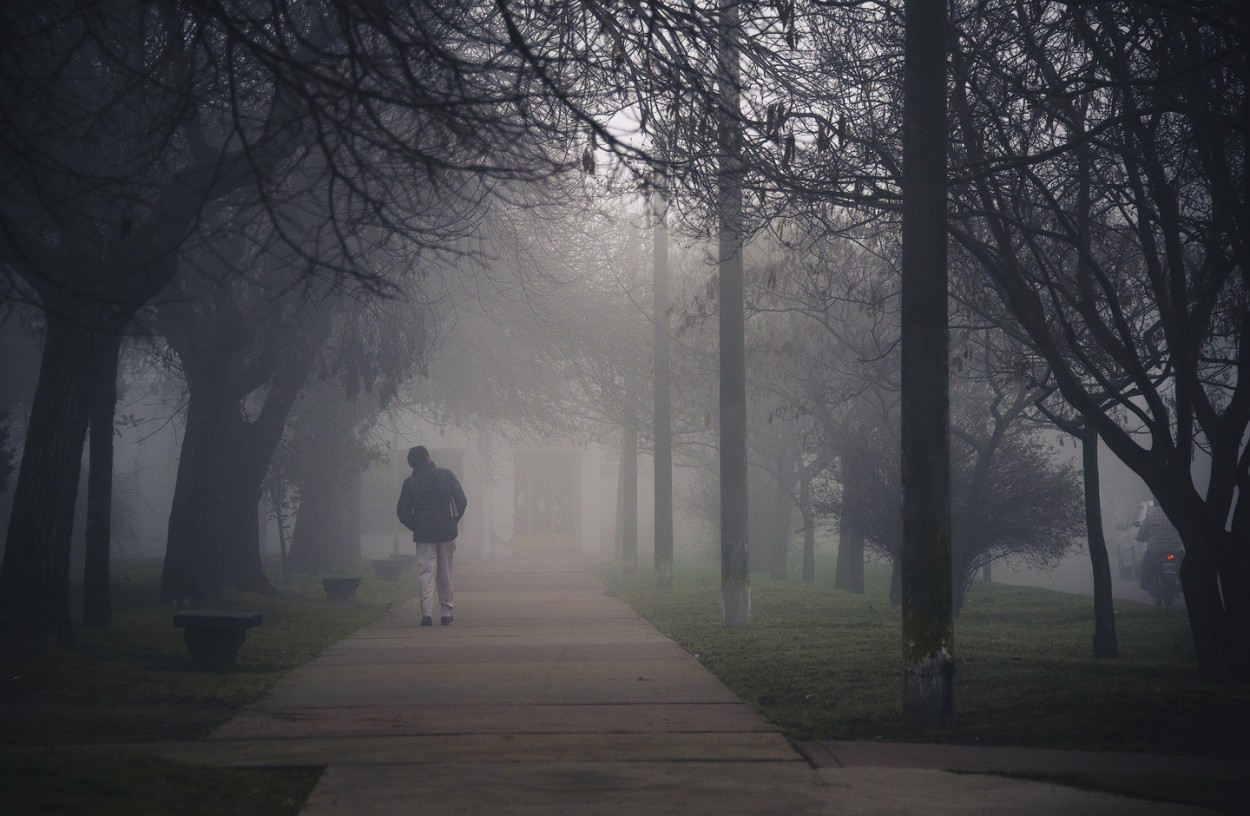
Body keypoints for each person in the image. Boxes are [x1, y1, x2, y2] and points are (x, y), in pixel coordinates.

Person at [396, 446, 467, 626]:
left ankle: (426, 614)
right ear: (428, 457)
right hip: (446, 532)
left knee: (426, 573)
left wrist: (417, 526)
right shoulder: (446, 475)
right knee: (445, 572)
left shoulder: (410, 482)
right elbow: (461, 500)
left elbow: (402, 512)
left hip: (424, 535)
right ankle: (446, 612)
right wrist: (453, 521)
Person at [1136, 503, 1182, 592]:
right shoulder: (1176, 513)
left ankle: (1145, 583)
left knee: (1146, 562)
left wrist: (1140, 538)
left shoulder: (1151, 515)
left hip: (1155, 550)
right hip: (1175, 549)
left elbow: (1142, 533)